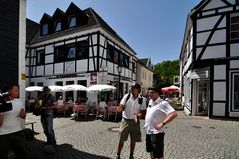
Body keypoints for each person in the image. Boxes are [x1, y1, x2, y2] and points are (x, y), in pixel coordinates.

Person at [144, 87, 177, 159]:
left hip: (157, 133)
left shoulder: (163, 103)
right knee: (151, 151)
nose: (149, 94)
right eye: (149, 92)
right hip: (149, 131)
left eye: (152, 92)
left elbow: (174, 114)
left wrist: (162, 123)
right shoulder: (150, 101)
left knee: (159, 155)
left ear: (158, 93)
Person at [116, 82, 146, 159]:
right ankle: (118, 154)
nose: (132, 90)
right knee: (121, 138)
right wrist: (120, 108)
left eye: (134, 89)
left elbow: (143, 112)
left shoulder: (142, 99)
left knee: (133, 139)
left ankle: (131, 155)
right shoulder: (127, 96)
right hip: (125, 120)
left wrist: (139, 115)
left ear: (138, 90)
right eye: (131, 88)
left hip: (135, 122)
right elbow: (121, 106)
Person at [0, 84, 27, 159]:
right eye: (15, 90)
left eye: (18, 90)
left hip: (17, 132)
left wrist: (23, 115)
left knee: (22, 154)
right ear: (9, 91)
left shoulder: (19, 101)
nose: (18, 92)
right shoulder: (1, 103)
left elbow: (23, 116)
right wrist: (1, 112)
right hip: (3, 134)